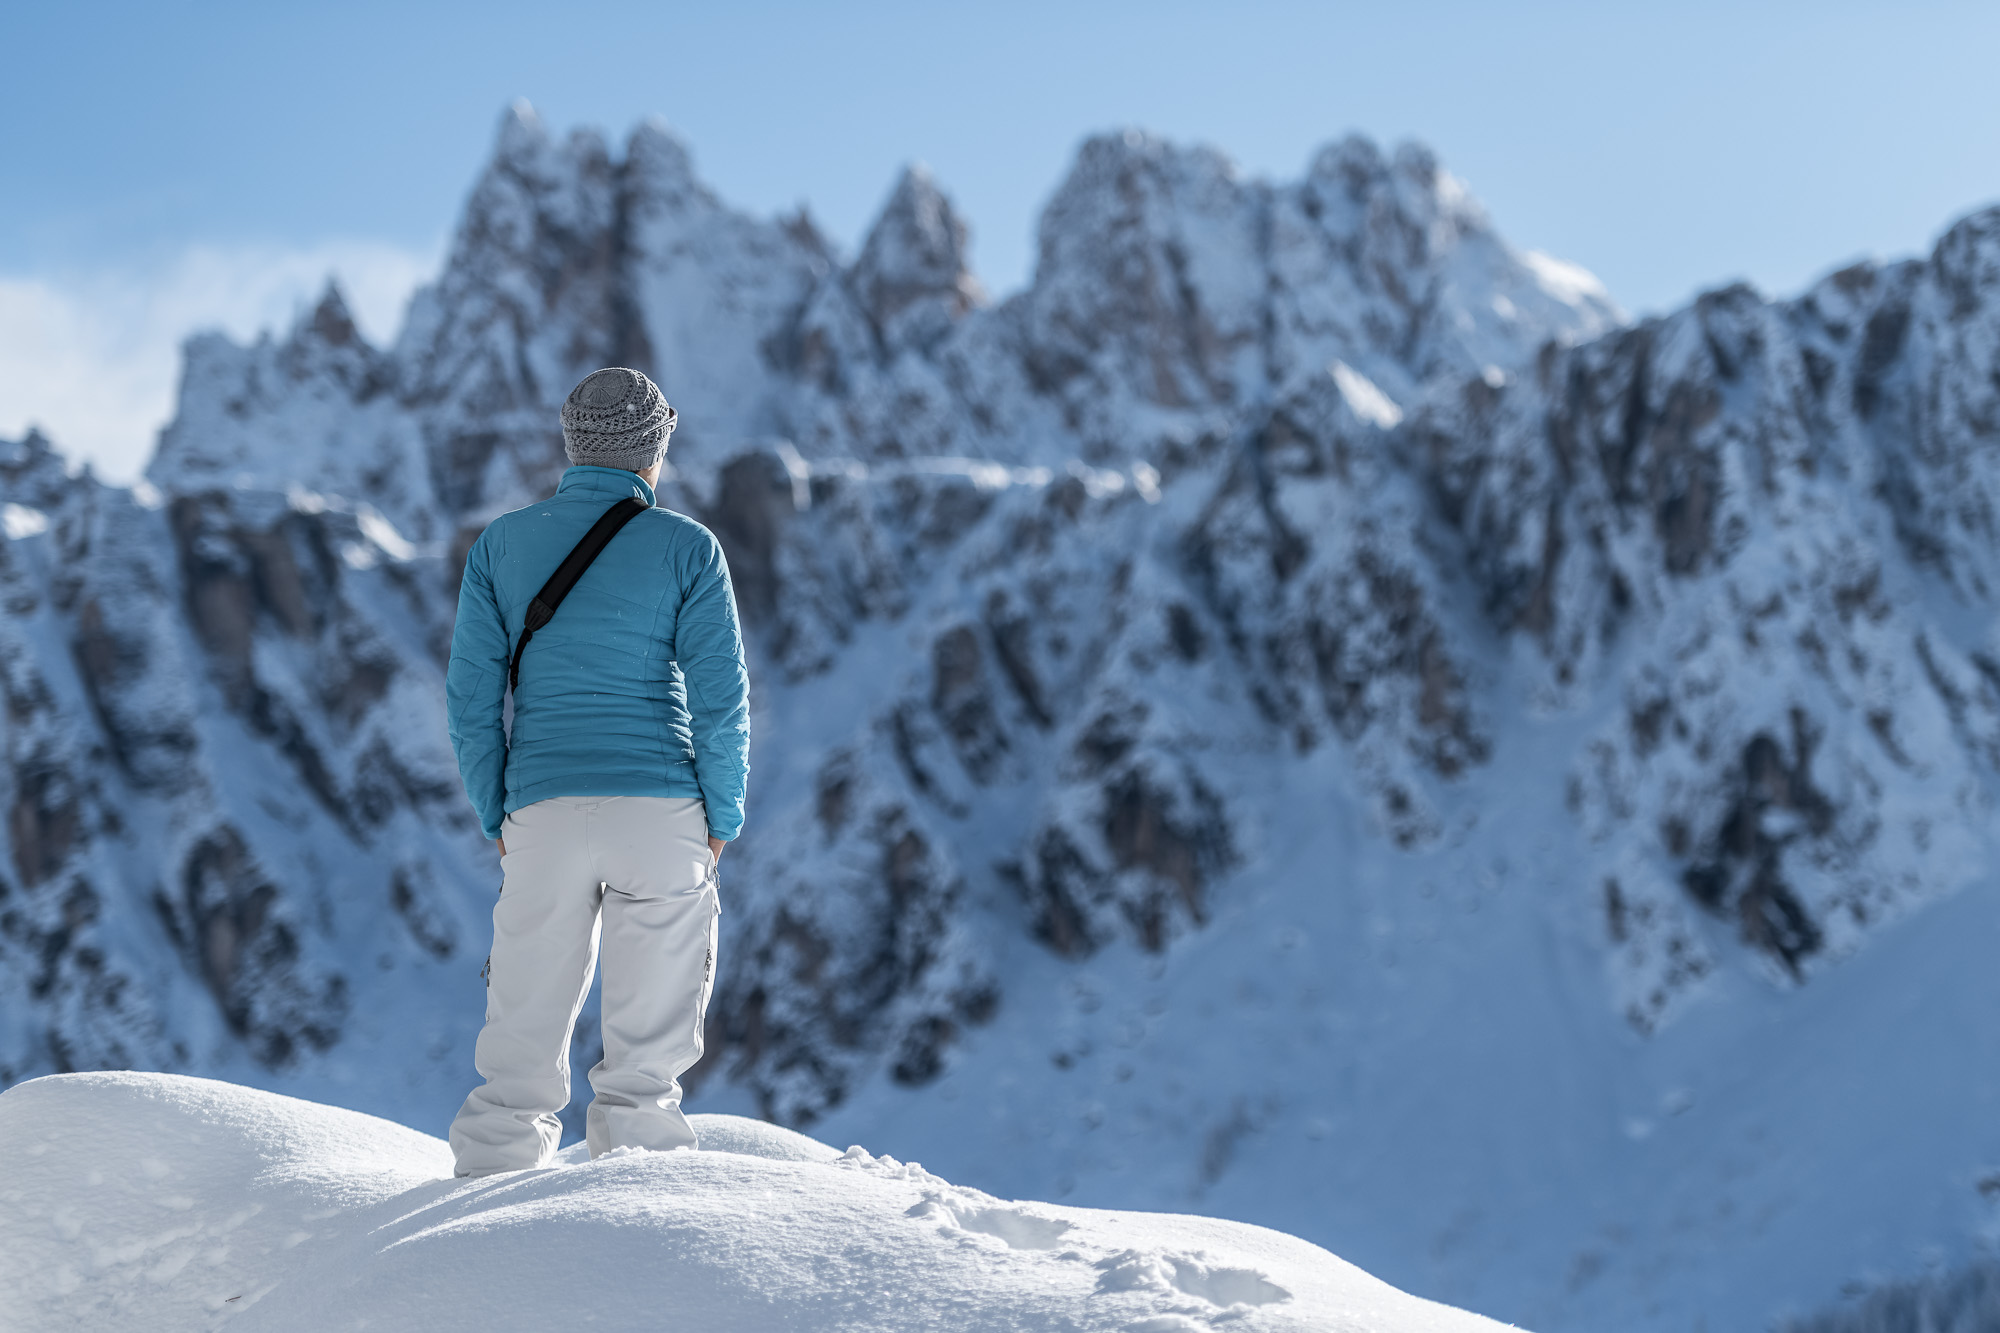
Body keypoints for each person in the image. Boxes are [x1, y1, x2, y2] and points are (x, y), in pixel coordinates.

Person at [443, 366, 749, 1177]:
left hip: (540, 808)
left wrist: (497, 814)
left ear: (572, 445)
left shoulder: (500, 546)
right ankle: (634, 1223)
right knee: (645, 1081)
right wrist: (722, 816)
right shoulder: (689, 547)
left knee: (517, 1060)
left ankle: (481, 1217)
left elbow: (472, 702)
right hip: (662, 813)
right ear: (656, 448)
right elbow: (721, 698)